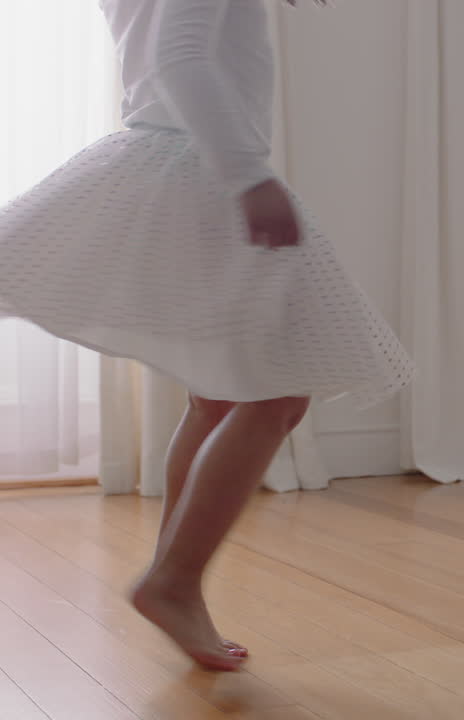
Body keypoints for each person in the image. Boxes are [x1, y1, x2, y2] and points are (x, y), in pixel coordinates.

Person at [0, 0, 412, 671]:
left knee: (220, 400)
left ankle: (173, 580)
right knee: (275, 399)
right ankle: (174, 581)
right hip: (198, 167)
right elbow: (180, 58)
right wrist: (250, 175)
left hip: (161, 160)